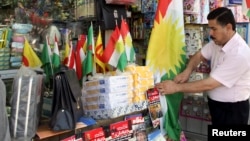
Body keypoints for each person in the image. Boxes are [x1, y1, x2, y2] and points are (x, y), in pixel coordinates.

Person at [155, 7, 250, 125]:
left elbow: (210, 83)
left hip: (233, 110)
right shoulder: (217, 43)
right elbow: (199, 55)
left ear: (228, 28)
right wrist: (187, 72)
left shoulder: (239, 54)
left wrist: (176, 87)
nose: (210, 33)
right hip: (217, 106)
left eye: (214, 29)